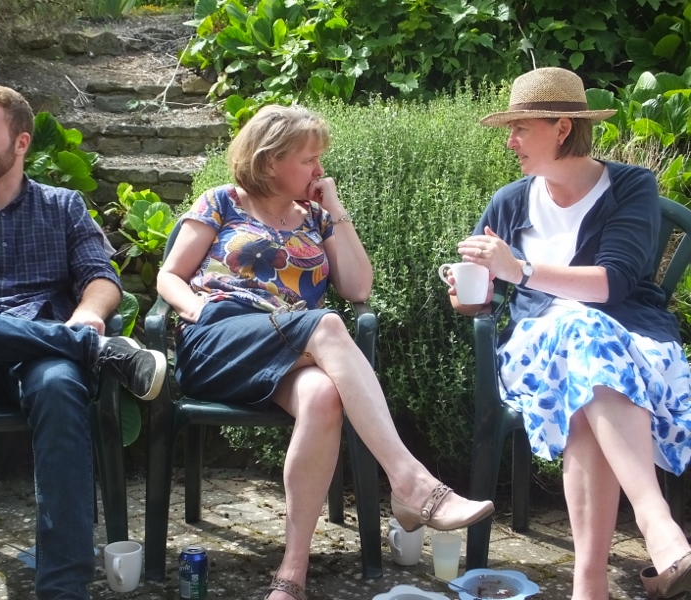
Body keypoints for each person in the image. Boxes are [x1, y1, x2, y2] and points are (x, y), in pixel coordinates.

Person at [156, 104, 495, 600]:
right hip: (219, 338)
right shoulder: (222, 201)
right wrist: (195, 309)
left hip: (287, 347)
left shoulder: (315, 216)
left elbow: (358, 287)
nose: (320, 169)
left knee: (322, 396)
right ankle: (411, 483)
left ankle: (291, 573)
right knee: (329, 325)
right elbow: (169, 275)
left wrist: (334, 208)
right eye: (309, 160)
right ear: (270, 160)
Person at [0, 84, 167, 600]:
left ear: (21, 142)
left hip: (41, 365)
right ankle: (87, 349)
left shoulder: (63, 206)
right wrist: (59, 336)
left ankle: (63, 589)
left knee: (60, 386)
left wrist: (88, 315)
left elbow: (101, 276)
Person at [447, 67, 691, 600]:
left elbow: (613, 284)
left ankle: (589, 585)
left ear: (561, 128)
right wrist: (469, 292)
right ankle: (659, 528)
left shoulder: (630, 186)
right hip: (539, 352)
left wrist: (519, 269)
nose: (509, 141)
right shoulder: (509, 201)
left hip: (632, 344)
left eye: (520, 128)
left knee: (585, 370)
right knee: (578, 337)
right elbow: (481, 298)